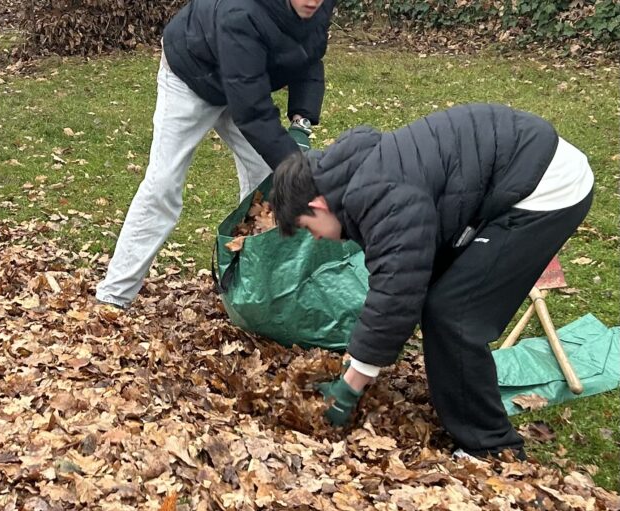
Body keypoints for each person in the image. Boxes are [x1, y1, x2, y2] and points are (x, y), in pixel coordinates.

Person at [269, 103, 595, 461]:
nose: (314, 238)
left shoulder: (378, 194)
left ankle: (492, 448)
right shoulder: (358, 176)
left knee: (454, 315)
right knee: (443, 294)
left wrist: (350, 386)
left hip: (545, 187)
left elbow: (397, 292)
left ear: (318, 204)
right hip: (520, 168)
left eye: (306, 227)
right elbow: (406, 273)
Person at [94, 0, 332, 309]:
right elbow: (252, 113)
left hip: (245, 79)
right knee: (163, 184)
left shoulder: (318, 6)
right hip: (192, 75)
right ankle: (113, 296)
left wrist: (301, 120)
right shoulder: (242, 12)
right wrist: (299, 172)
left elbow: (309, 55)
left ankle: (254, 292)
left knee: (269, 185)